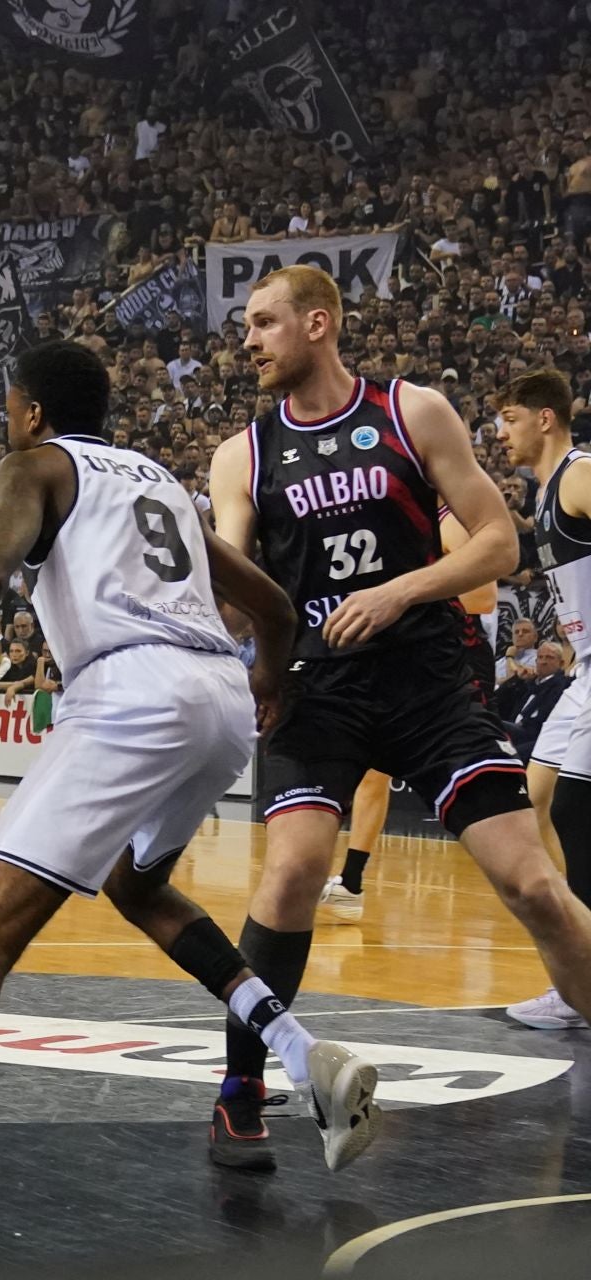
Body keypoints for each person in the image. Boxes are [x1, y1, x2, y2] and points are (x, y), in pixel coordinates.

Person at [0, 341, 375, 1264]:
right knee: (137, 885)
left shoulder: (35, 465)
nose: (7, 424)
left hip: (129, 693)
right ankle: (299, 1055)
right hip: (216, 699)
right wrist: (268, 686)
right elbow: (278, 612)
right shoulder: (158, 483)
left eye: (10, 409)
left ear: (32, 412)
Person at [203, 267, 591, 1172]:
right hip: (320, 690)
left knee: (535, 885)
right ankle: (239, 1092)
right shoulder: (242, 455)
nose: (248, 341)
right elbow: (233, 584)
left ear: (318, 323)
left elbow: (499, 541)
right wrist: (240, 653)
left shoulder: (412, 410)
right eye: (245, 327)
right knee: (296, 871)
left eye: (263, 323)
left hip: (427, 683)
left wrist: (398, 591)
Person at [319, 507, 506, 923]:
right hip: (410, 655)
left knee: (481, 776)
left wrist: (406, 591)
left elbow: (484, 596)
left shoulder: (454, 518)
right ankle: (351, 883)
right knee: (372, 771)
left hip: (458, 657)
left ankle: (523, 873)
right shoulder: (399, 520)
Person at [492, 370, 591, 1029]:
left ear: (545, 419)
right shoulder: (549, 495)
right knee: (537, 802)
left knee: (575, 814)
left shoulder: (580, 475)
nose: (499, 432)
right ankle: (576, 972)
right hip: (586, 673)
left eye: (508, 419)